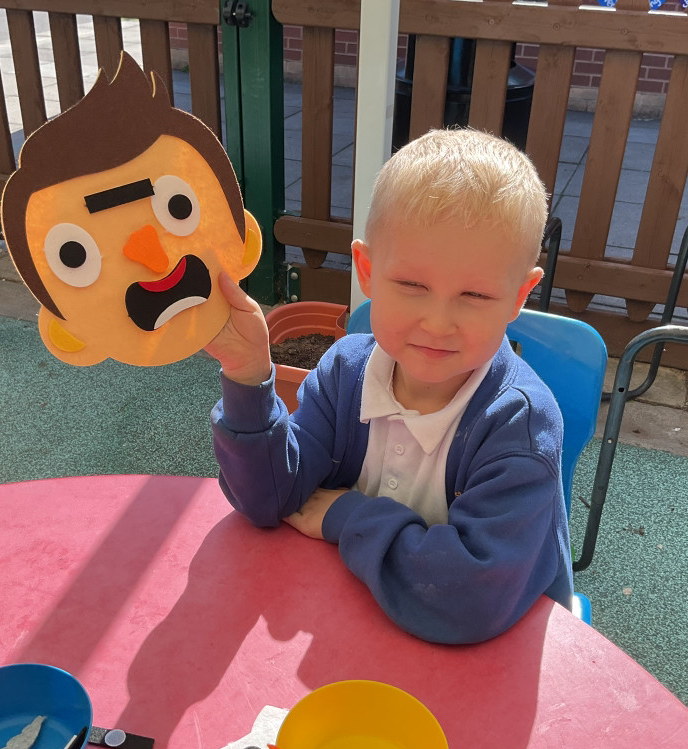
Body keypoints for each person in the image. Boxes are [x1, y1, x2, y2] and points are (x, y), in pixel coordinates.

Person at [205, 128, 572, 644]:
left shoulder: (518, 426)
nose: (438, 323)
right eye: (412, 285)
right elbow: (270, 499)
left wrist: (347, 516)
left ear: (519, 296)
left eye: (475, 295)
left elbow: (470, 601)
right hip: (353, 632)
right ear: (367, 271)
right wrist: (247, 375)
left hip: (485, 667)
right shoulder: (345, 374)